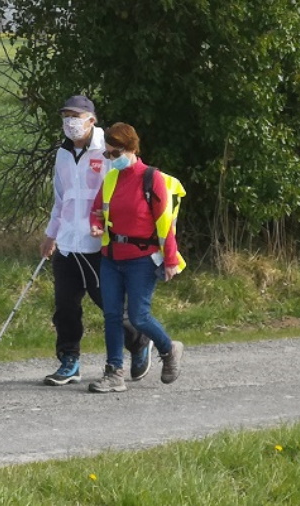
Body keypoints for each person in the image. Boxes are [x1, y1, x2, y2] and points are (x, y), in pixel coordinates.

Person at [40, 96, 152, 386]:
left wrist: (107, 226)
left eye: (76, 116)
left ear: (92, 119)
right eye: (65, 116)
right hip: (67, 243)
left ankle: (139, 343)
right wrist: (51, 234)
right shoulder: (62, 153)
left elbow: (125, 191)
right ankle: (69, 360)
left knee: (109, 305)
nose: (70, 122)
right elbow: (60, 198)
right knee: (65, 306)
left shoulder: (109, 149)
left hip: (98, 245)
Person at [88, 122, 185, 393]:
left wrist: (170, 260)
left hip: (142, 259)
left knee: (139, 317)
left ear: (131, 149)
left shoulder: (150, 178)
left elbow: (164, 223)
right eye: (107, 154)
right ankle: (114, 372)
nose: (110, 159)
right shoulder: (110, 179)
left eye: (115, 153)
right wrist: (95, 224)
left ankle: (168, 348)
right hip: (111, 257)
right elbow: (97, 210)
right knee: (112, 316)